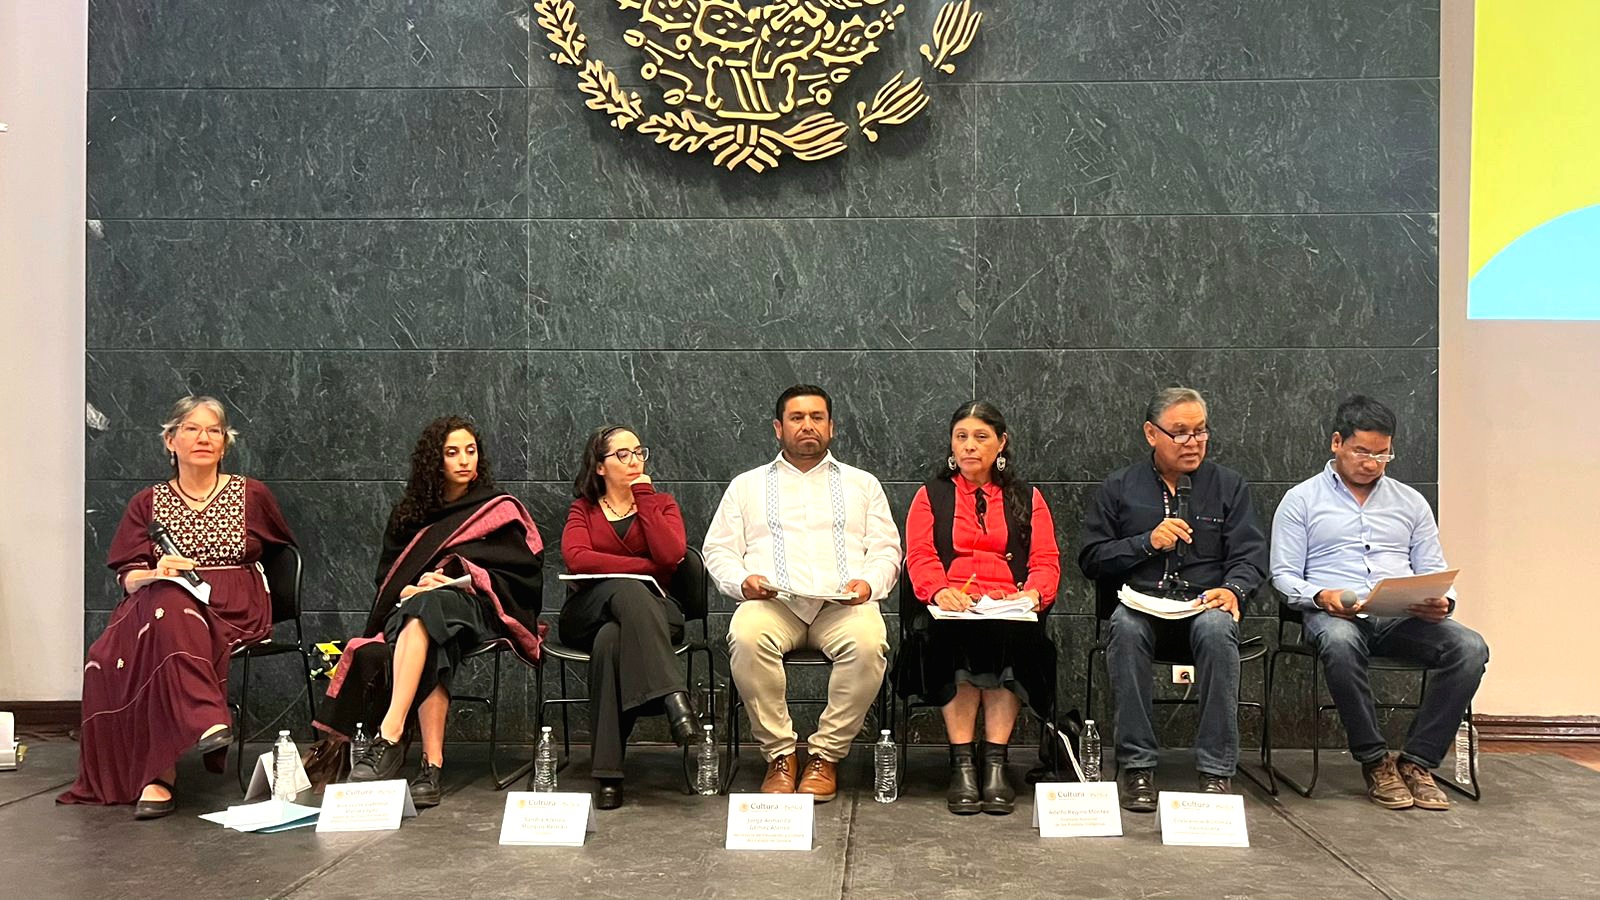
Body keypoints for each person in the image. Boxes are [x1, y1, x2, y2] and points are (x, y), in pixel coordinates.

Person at [59, 396, 296, 818]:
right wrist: (157, 573)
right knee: (124, 640)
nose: (204, 438)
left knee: (164, 616)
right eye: (191, 429)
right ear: (170, 441)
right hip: (162, 603)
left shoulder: (252, 495)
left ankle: (162, 773)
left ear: (224, 444)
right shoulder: (146, 503)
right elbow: (128, 577)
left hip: (230, 603)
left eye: (214, 431)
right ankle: (196, 730)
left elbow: (283, 555)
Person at [1271, 395, 1489, 811]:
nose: (1372, 463)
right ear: (1337, 442)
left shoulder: (1410, 502)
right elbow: (1282, 575)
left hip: (1400, 617)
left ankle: (1417, 762)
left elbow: (1433, 568)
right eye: (1362, 451)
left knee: (1469, 647)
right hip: (1336, 614)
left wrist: (1442, 603)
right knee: (1339, 642)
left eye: (1382, 454)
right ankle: (1375, 761)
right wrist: (1320, 595)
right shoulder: (1301, 500)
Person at [315, 415, 544, 809]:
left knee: (429, 609)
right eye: (452, 452)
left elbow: (522, 571)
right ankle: (430, 768)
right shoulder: (409, 515)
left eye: (470, 451)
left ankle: (390, 733)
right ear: (434, 460)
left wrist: (458, 576)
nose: (464, 460)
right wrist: (414, 587)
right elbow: (389, 580)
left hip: (477, 607)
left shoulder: (496, 509)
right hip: (415, 612)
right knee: (430, 627)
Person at [703, 384, 900, 801]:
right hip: (774, 603)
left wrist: (869, 583)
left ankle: (825, 756)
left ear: (831, 427)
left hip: (842, 605)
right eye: (797, 418)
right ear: (778, 428)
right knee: (746, 636)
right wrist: (742, 581)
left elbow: (887, 550)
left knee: (869, 644)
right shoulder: (747, 486)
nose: (807, 425)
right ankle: (780, 755)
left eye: (816, 417)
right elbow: (718, 550)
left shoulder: (862, 484)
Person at [1078, 386, 1268, 811]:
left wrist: (1233, 589)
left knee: (1219, 628)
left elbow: (1250, 556)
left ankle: (1217, 771)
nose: (1193, 442)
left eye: (1201, 432)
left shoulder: (1229, 486)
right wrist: (1146, 542)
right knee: (1125, 628)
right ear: (1151, 433)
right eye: (1180, 433)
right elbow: (1091, 558)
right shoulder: (1119, 487)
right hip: (1142, 607)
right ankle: (1137, 767)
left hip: (1203, 606)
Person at [896, 401, 1060, 816]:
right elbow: (919, 555)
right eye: (961, 437)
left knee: (1012, 636)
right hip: (950, 611)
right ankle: (963, 764)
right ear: (952, 445)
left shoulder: (1028, 497)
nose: (970, 446)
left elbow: (1046, 560)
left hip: (1009, 609)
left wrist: (1033, 595)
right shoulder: (931, 495)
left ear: (1001, 443)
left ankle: (995, 763)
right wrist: (938, 591)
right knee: (959, 637)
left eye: (981, 437)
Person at [560, 424, 701, 810]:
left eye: (639, 452)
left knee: (611, 640)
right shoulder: (583, 509)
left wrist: (644, 497)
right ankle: (673, 696)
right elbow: (577, 558)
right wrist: (642, 568)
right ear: (600, 466)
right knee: (626, 589)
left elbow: (671, 555)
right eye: (622, 455)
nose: (634, 460)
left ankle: (607, 776)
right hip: (588, 611)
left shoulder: (662, 504)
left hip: (656, 613)